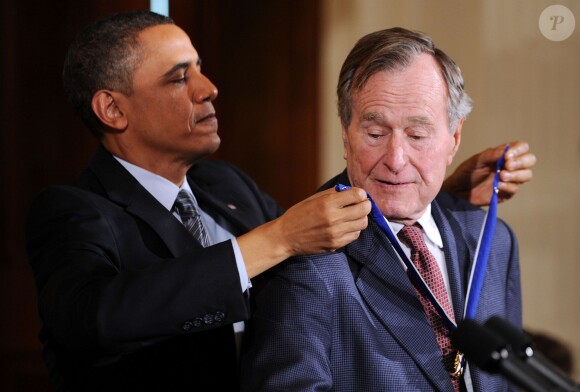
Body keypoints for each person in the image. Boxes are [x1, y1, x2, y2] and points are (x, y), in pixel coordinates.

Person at [24, 12, 534, 392]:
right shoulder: (73, 211)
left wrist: (435, 191)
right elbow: (95, 318)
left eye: (199, 68)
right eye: (179, 77)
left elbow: (356, 235)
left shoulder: (224, 188)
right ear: (112, 108)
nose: (208, 88)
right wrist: (278, 238)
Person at [240, 28, 526, 392]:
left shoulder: (493, 239)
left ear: (454, 138)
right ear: (345, 134)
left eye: (417, 135)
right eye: (375, 134)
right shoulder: (304, 260)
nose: (395, 159)